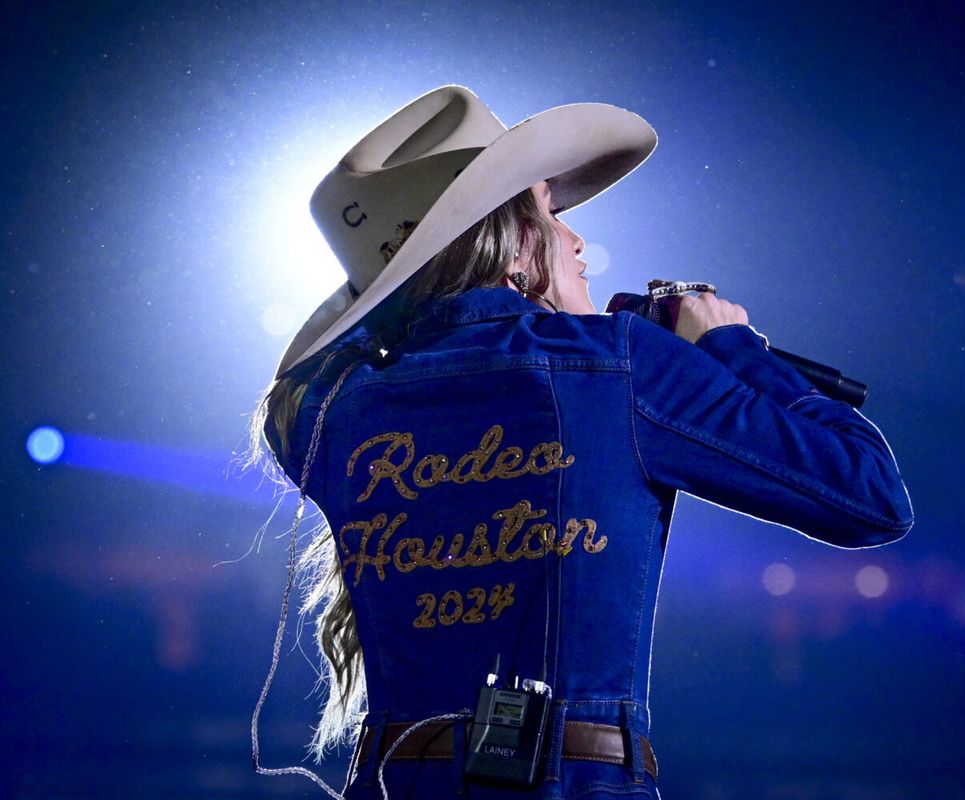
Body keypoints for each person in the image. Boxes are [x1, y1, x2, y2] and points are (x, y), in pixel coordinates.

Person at [251, 85, 913, 800]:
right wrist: (730, 349)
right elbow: (869, 494)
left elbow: (336, 364)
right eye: (550, 212)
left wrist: (397, 286)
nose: (575, 242)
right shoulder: (622, 365)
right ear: (511, 241)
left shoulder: (325, 410)